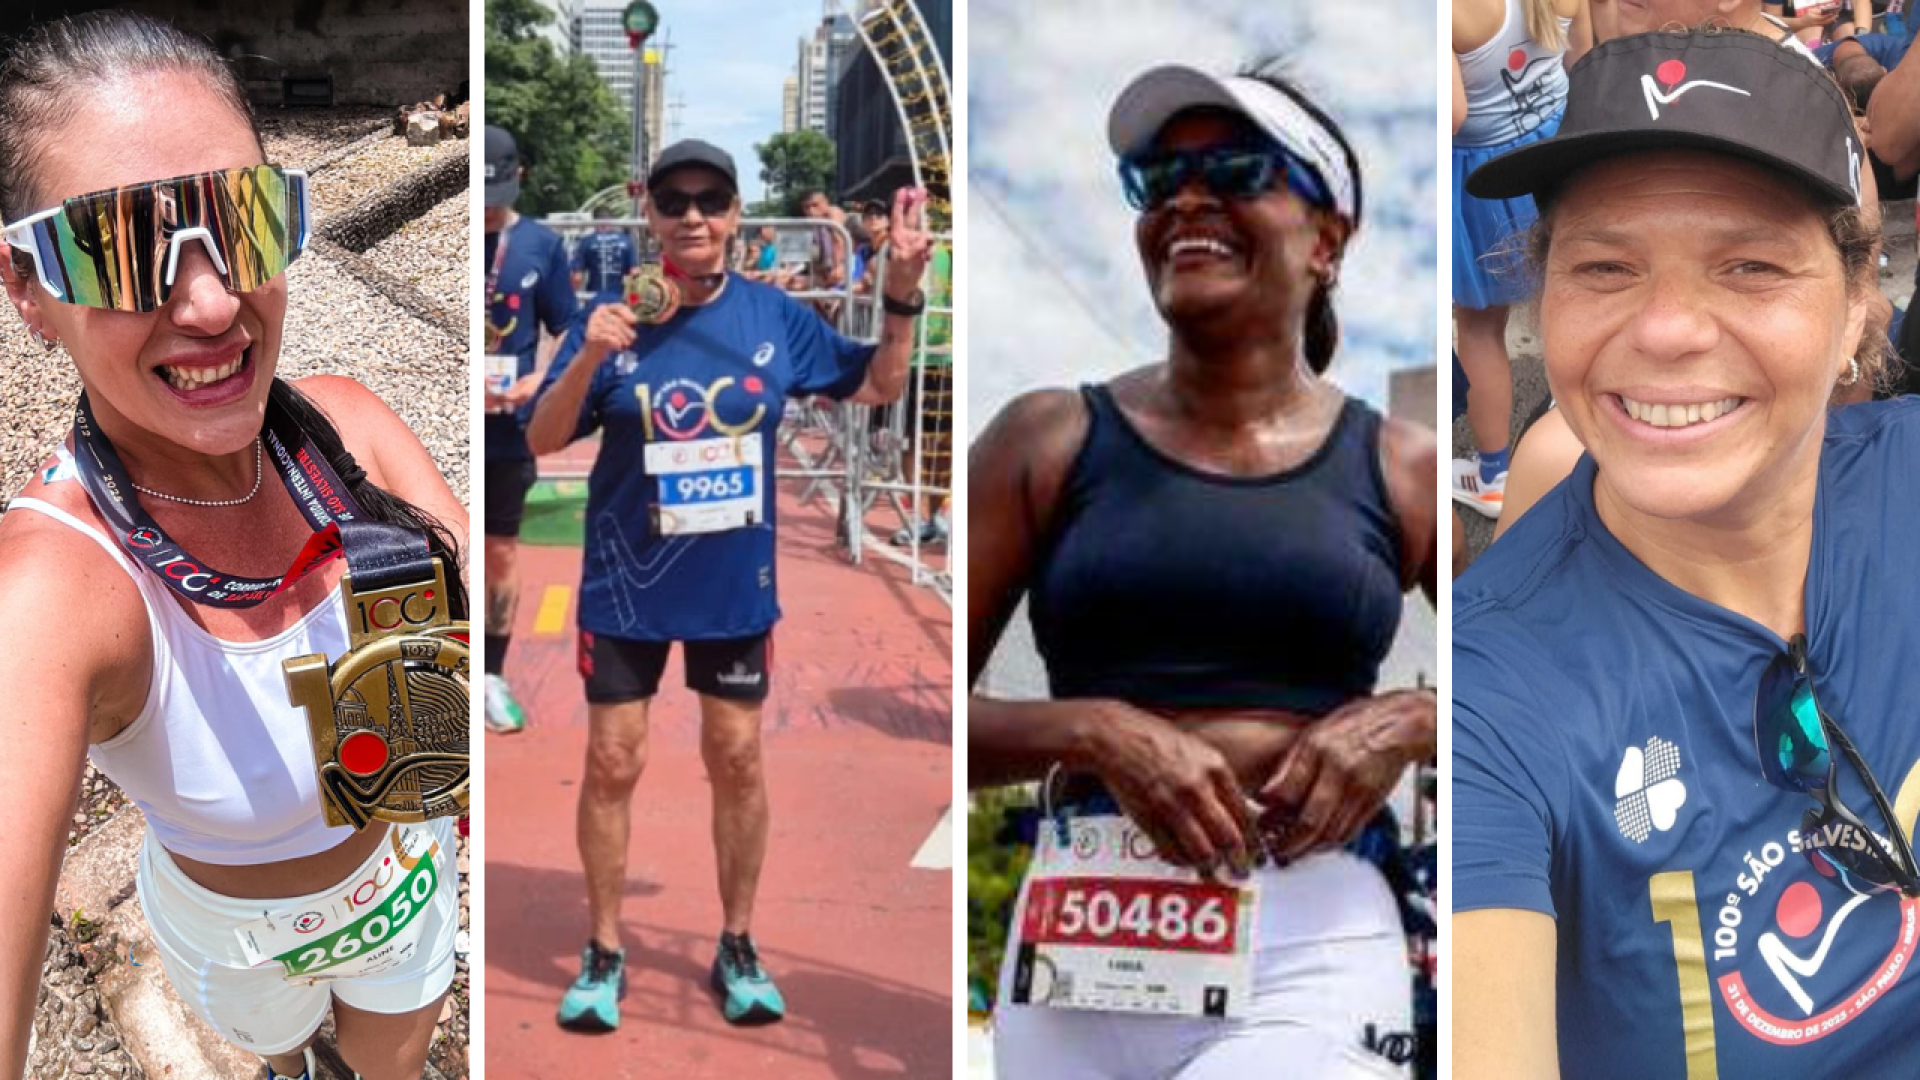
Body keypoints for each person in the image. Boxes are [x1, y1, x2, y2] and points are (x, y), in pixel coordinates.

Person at [0, 13, 468, 1080]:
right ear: (27, 287)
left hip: (405, 871)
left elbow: (496, 643)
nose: (212, 303)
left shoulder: (353, 427)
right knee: (286, 1057)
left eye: (244, 222)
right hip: (236, 940)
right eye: (122, 246)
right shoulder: (52, 592)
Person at [1453, 30, 1915, 1076]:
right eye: (1605, 266)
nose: (1665, 329)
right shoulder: (1487, 706)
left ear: (1857, 314)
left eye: (1749, 265)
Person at [969, 61, 1438, 1077]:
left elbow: (1546, 683)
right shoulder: (1043, 440)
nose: (1187, 196)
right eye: (1157, 177)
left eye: (1235, 168)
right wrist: (1096, 730)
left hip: (1309, 928)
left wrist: (1414, 721)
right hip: (1078, 930)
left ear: (1326, 237)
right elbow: (930, 720)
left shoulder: (1402, 468)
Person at [523, 139, 932, 1032]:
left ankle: (737, 941)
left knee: (737, 759)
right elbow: (542, 441)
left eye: (712, 199)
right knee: (612, 762)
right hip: (626, 586)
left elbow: (878, 382)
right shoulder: (612, 316)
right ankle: (603, 950)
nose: (694, 216)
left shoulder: (773, 318)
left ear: (737, 214)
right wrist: (588, 356)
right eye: (675, 201)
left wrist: (900, 292)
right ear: (653, 218)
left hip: (732, 589)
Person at [1451, 0, 1581, 520]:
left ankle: (1495, 475)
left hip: (1492, 175)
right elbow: (1583, 56)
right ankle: (1584, 429)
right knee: (1572, 292)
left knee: (1480, 328)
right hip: (1561, 149)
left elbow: (1452, 115)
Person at [482, 125, 577, 734]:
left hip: (510, 430)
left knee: (501, 551)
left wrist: (538, 381)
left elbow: (568, 328)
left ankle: (492, 674)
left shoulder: (541, 244)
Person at [571, 219, 639, 299]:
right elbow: (635, 273)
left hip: (594, 296)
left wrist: (572, 299)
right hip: (618, 296)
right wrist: (634, 298)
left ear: (594, 222)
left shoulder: (586, 241)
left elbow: (577, 277)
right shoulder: (626, 240)